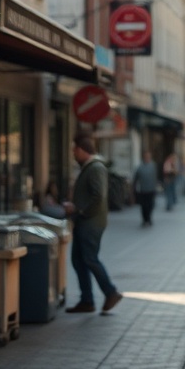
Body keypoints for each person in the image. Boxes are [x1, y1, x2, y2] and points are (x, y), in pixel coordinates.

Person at [63, 133, 123, 314]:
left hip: (91, 222)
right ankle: (87, 300)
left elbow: (98, 196)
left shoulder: (95, 168)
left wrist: (79, 210)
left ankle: (110, 292)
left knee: (89, 259)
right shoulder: (90, 167)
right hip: (85, 221)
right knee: (79, 260)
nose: (73, 154)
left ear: (82, 150)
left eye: (75, 151)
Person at [133, 150, 159, 227]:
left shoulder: (153, 166)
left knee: (150, 205)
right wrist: (134, 189)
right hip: (143, 190)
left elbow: (156, 177)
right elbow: (136, 178)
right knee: (144, 206)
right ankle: (145, 219)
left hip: (151, 189)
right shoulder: (140, 167)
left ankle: (149, 218)